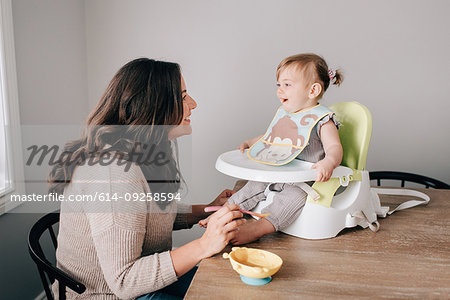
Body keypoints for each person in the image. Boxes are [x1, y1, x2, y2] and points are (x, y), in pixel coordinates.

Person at [48, 58, 246, 299]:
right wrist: (204, 244)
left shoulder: (143, 150)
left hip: (140, 285)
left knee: (228, 286)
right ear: (153, 106)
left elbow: (145, 213)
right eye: (183, 97)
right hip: (106, 294)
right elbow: (124, 280)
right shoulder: (114, 172)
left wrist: (207, 210)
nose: (193, 103)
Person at [199, 53, 343, 245]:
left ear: (313, 90)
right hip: (280, 170)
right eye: (278, 85)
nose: (279, 91)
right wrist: (252, 142)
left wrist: (329, 162)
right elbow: (271, 137)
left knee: (291, 200)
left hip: (305, 180)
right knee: (252, 186)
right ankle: (222, 215)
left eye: (287, 84)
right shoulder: (286, 114)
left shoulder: (322, 119)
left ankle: (258, 229)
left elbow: (334, 147)